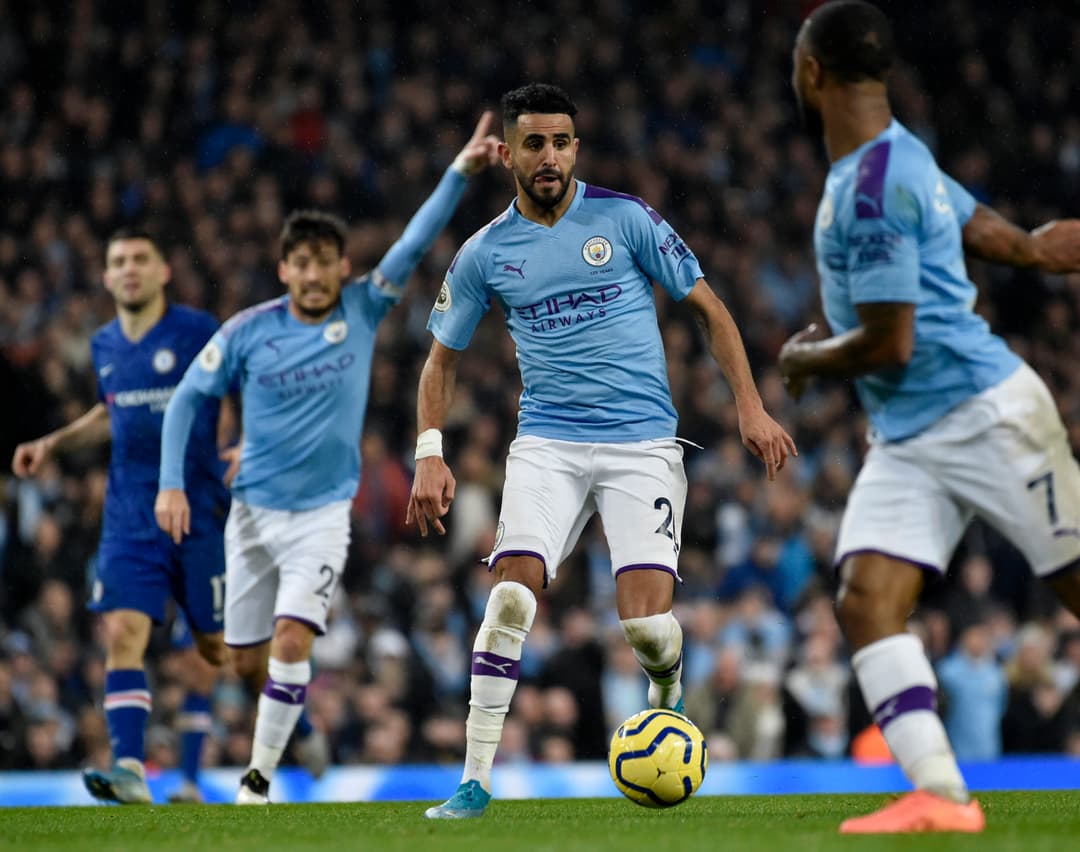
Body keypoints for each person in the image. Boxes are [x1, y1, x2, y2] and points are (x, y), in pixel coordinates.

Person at [781, 0, 1080, 834]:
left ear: (810, 73)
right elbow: (967, 217)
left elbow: (891, 341)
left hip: (983, 415)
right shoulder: (897, 158)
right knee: (867, 598)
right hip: (909, 435)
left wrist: (805, 359)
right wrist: (1032, 247)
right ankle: (941, 795)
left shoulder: (869, 186)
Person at [408, 83, 796, 819]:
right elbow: (439, 361)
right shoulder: (485, 253)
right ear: (511, 154)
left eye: (560, 142)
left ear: (575, 148)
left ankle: (666, 688)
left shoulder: (625, 219)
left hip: (642, 444)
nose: (548, 156)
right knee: (511, 599)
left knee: (647, 629)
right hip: (547, 442)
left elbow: (710, 311)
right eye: (533, 143)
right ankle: (473, 781)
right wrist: (431, 451)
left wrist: (749, 404)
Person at [155, 113, 500, 804]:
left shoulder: (363, 309)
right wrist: (172, 485)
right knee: (245, 664)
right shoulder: (247, 330)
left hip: (321, 516)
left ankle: (257, 783)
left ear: (342, 266)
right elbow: (187, 399)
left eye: (325, 262)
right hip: (250, 514)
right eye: (301, 263)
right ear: (285, 269)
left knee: (291, 638)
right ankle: (302, 731)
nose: (314, 274)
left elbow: (414, 239)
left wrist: (461, 172)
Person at [10, 229, 228, 804]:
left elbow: (234, 395)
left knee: (209, 653)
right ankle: (131, 769)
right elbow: (114, 413)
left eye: (140, 259)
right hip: (131, 513)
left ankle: (282, 723)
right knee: (123, 631)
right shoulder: (105, 345)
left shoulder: (196, 331)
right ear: (106, 277)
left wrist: (246, 448)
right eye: (118, 262)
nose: (129, 269)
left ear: (162, 272)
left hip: (199, 508)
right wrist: (53, 443)